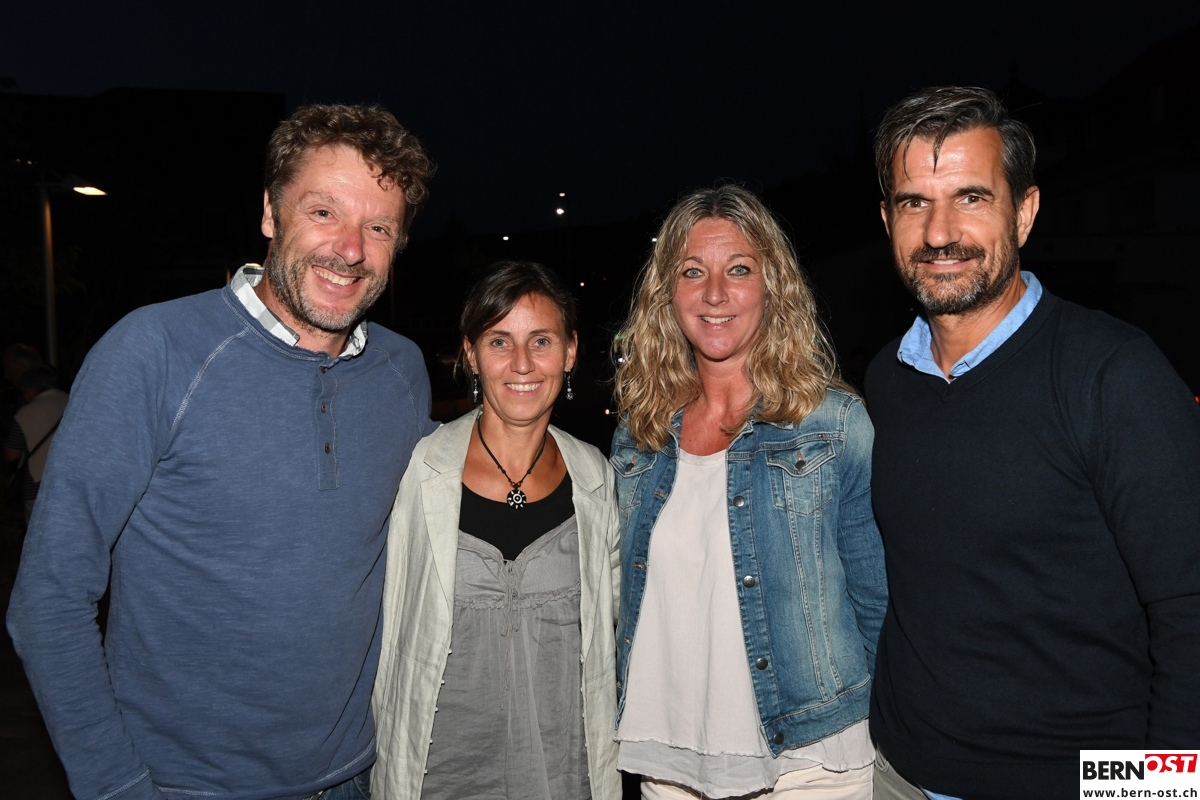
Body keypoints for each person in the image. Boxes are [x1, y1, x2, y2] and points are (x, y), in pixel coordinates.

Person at [7, 102, 436, 800]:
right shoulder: (153, 352)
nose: (350, 249)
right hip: (184, 785)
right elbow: (48, 598)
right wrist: (116, 788)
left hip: (360, 775)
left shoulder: (402, 371)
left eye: (379, 227)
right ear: (270, 212)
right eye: (323, 212)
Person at [866, 86, 1200, 800]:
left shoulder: (1114, 375)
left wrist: (1158, 791)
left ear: (1024, 212)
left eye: (971, 198)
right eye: (915, 202)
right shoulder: (887, 378)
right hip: (897, 773)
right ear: (888, 219)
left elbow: (1189, 612)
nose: (939, 232)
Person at [610, 185, 887, 800]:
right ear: (667, 293)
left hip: (811, 763)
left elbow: (877, 601)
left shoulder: (833, 424)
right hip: (669, 761)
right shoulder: (639, 435)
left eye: (738, 269)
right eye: (692, 272)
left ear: (772, 286)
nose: (715, 294)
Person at [371, 261, 622, 799]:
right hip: (438, 777)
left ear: (570, 351)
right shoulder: (417, 472)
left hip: (563, 777)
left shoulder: (598, 481)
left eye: (541, 341)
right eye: (499, 342)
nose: (522, 363)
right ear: (471, 354)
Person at [4, 364, 69, 523]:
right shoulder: (73, 401)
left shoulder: (26, 413)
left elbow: (12, 454)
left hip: (38, 486)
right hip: (72, 483)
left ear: (31, 389)